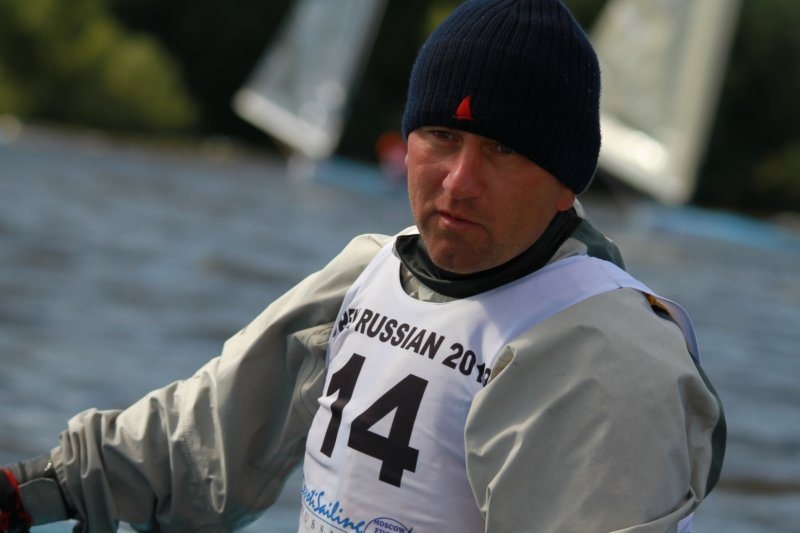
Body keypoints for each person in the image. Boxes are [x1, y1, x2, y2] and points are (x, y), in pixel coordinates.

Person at [1, 0, 726, 531]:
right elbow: (201, 443)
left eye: (503, 151)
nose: (458, 182)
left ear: (567, 183)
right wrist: (32, 490)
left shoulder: (610, 358)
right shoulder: (366, 274)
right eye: (441, 137)